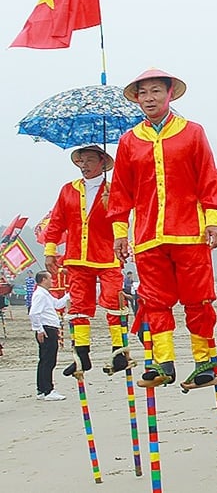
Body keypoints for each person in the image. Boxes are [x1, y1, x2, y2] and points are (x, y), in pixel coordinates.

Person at [108, 68, 217, 389]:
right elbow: (121, 192)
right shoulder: (130, 141)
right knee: (155, 302)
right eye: (143, 93)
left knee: (198, 299)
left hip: (190, 232)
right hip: (147, 237)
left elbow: (208, 179)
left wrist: (213, 220)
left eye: (155, 91)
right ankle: (163, 363)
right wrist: (120, 232)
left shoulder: (192, 133)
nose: (149, 98)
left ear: (169, 93)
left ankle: (204, 362)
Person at [43, 145, 131, 377]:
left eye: (90, 160)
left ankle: (119, 351)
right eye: (81, 161)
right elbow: (56, 223)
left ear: (102, 163)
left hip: (106, 256)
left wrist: (111, 204)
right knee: (79, 306)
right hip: (76, 257)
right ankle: (81, 354)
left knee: (115, 302)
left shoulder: (114, 190)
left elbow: (122, 219)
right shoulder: (68, 190)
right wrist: (50, 251)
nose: (84, 165)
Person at [29, 270, 69, 401]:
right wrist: (38, 329)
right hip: (46, 329)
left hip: (50, 328)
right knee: (48, 360)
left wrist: (69, 295)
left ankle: (41, 389)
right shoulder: (39, 294)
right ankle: (48, 390)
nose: (52, 281)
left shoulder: (46, 294)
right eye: (50, 279)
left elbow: (57, 304)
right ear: (43, 280)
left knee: (45, 360)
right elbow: (34, 313)